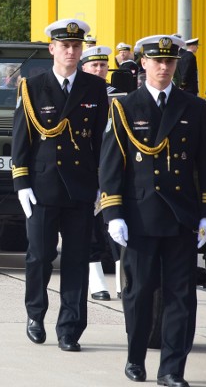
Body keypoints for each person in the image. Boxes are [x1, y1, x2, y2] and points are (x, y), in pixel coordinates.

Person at [100, 34, 206, 387]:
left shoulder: (193, 107)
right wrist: (113, 214)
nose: (164, 67)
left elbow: (205, 164)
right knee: (139, 293)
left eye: (170, 61)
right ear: (144, 65)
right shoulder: (124, 106)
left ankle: (171, 369)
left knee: (182, 296)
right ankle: (136, 358)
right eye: (157, 61)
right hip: (140, 217)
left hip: (182, 216)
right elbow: (111, 165)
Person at [11, 18, 108, 353]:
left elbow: (99, 142)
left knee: (77, 262)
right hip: (42, 187)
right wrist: (22, 182)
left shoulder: (94, 89)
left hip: (80, 189)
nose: (70, 51)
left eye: (76, 46)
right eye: (65, 46)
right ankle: (35, 315)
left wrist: (101, 186)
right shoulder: (33, 87)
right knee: (39, 257)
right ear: (52, 49)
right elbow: (21, 140)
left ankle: (70, 328)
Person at [79, 46, 119, 301]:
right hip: (88, 170)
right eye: (93, 66)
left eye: (103, 66)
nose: (99, 70)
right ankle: (96, 281)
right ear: (84, 68)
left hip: (114, 168)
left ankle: (123, 280)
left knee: (118, 224)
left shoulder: (119, 97)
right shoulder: (76, 94)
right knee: (91, 227)